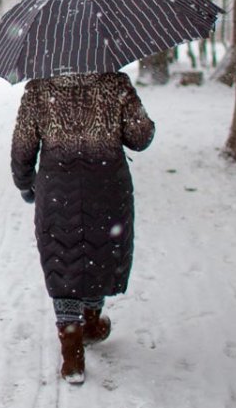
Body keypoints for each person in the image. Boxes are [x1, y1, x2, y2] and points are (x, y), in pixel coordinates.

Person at [10, 71, 155, 384]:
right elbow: (141, 137)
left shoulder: (38, 89)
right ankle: (90, 322)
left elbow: (23, 145)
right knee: (100, 253)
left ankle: (72, 351)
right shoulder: (115, 83)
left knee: (62, 259)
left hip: (57, 189)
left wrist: (24, 183)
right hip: (106, 187)